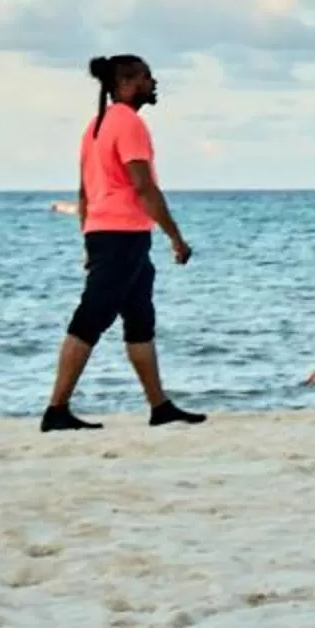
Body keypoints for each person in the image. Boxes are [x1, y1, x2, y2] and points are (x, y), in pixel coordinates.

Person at [43, 54, 203, 432]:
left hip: (113, 235)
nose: (154, 83)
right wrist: (176, 237)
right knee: (90, 319)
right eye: (148, 77)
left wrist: (88, 239)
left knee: (140, 321)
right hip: (121, 237)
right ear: (128, 84)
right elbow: (143, 187)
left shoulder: (95, 125)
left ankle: (159, 406)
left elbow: (84, 191)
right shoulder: (128, 123)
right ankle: (56, 409)